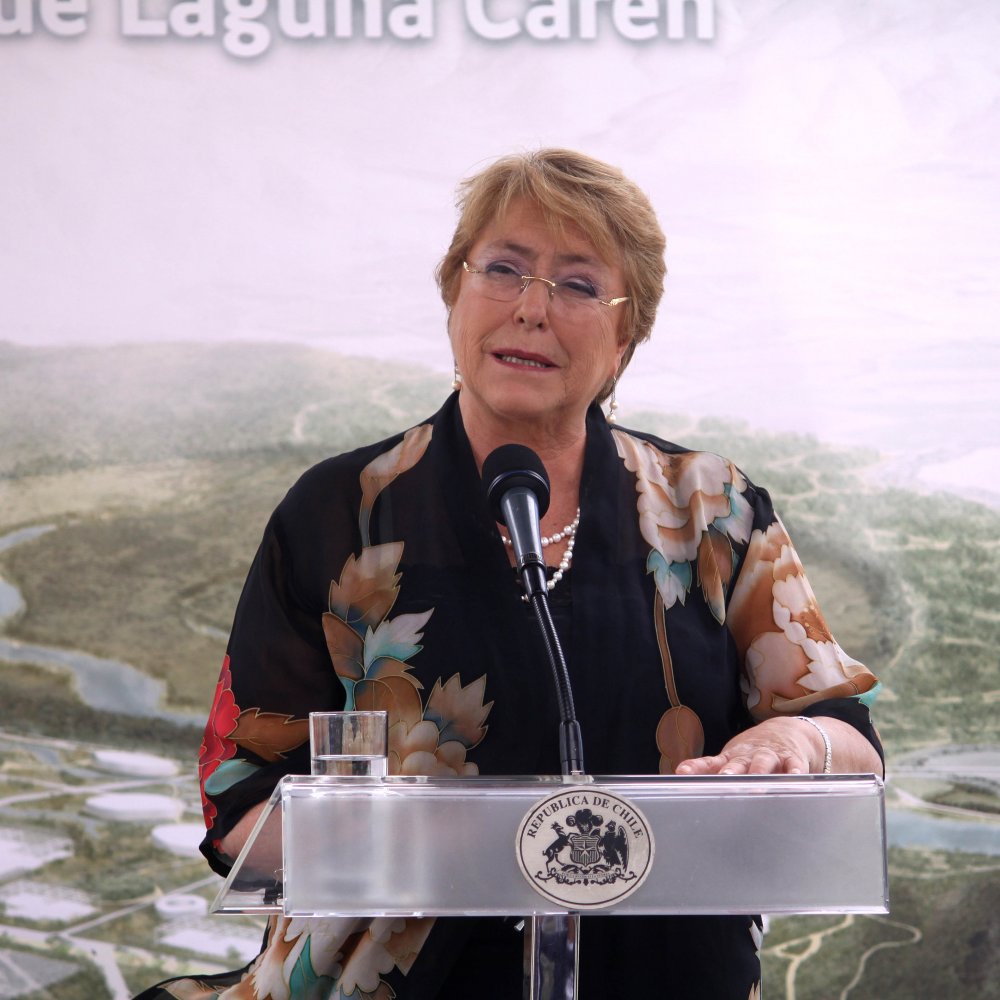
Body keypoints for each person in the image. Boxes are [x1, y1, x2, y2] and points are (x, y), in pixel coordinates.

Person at [137, 149, 883, 1000]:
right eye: (504, 269)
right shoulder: (339, 513)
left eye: (575, 285)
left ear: (625, 333)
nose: (532, 309)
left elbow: (843, 731)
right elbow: (238, 802)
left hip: (671, 978)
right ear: (454, 291)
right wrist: (430, 849)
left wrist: (796, 742)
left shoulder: (710, 507)